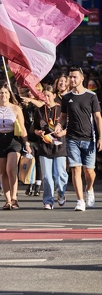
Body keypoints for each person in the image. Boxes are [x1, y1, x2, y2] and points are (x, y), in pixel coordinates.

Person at [55, 66, 102, 211]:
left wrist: (101, 137)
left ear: (82, 78)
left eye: (75, 77)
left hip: (89, 138)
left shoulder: (91, 96)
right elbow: (63, 117)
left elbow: (97, 117)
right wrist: (58, 125)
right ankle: (80, 200)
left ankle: (89, 189)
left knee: (89, 172)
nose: (72, 79)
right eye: (70, 76)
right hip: (72, 138)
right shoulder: (67, 97)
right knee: (76, 169)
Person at [0, 81, 32, 210]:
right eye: (1, 92)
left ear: (9, 94)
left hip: (13, 139)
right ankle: (7, 200)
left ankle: (14, 198)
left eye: (6, 92)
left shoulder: (16, 108)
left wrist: (27, 143)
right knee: (2, 172)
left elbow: (23, 127)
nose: (3, 95)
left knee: (11, 169)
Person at [33, 85, 68, 210]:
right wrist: (39, 133)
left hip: (59, 146)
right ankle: (48, 200)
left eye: (48, 95)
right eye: (44, 95)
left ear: (54, 95)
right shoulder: (39, 110)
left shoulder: (61, 109)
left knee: (60, 174)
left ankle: (61, 194)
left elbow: (69, 126)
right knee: (47, 176)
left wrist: (63, 132)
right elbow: (34, 128)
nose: (46, 98)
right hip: (45, 146)